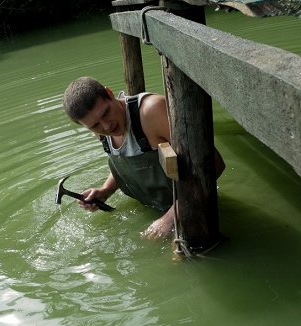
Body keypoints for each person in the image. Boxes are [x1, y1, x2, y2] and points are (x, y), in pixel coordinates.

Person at [62, 76, 225, 239]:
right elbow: (126, 161)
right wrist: (106, 190)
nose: (106, 126)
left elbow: (213, 164)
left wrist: (171, 217)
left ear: (110, 93)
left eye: (106, 113)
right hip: (159, 212)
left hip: (199, 211)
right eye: (95, 125)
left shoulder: (151, 112)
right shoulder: (101, 132)